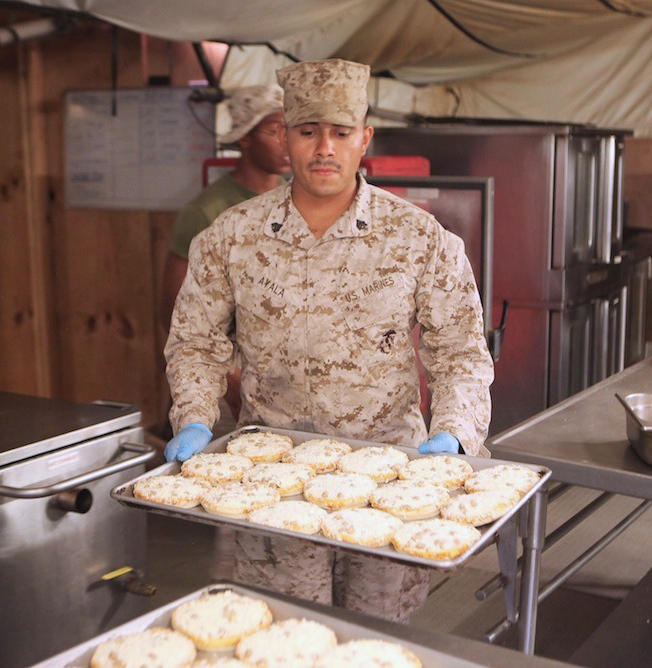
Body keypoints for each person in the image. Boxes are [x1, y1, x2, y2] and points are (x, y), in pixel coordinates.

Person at [164, 59, 493, 622]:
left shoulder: (418, 239)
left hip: (386, 479)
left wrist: (455, 435)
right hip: (274, 481)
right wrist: (195, 415)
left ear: (364, 139)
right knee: (292, 632)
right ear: (285, 137)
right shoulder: (231, 237)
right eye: (307, 131)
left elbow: (461, 354)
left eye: (341, 133)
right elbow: (195, 341)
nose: (324, 148)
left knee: (375, 636)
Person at [160, 84, 289, 430]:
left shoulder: (298, 203)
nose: (286, 140)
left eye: (292, 129)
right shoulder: (208, 211)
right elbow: (176, 310)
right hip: (222, 385)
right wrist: (231, 383)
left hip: (281, 385)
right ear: (245, 138)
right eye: (274, 130)